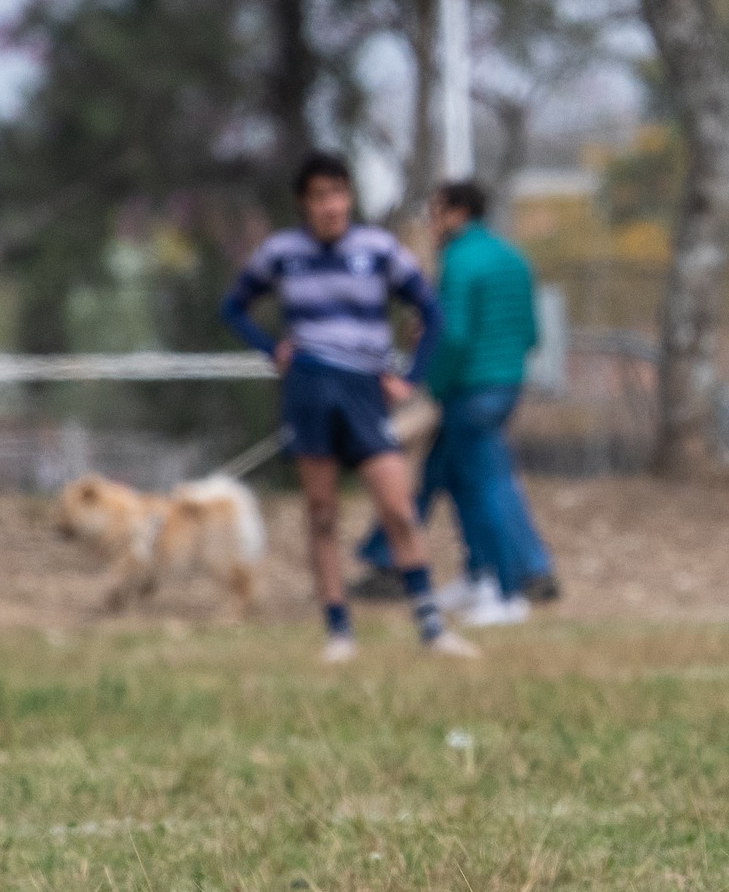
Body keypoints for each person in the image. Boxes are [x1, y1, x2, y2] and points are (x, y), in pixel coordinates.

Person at [220, 153, 479, 663]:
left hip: (365, 390)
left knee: (399, 509)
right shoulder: (281, 252)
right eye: (320, 196)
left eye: (339, 193)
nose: (332, 206)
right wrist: (272, 349)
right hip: (310, 389)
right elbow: (233, 307)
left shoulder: (378, 249)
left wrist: (411, 378)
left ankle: (432, 628)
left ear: (350, 197)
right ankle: (339, 631)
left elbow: (431, 309)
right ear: (304, 202)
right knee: (322, 514)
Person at [355, 180, 559, 624]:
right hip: (507, 382)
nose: (431, 223)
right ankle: (477, 575)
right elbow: (531, 333)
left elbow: (454, 333)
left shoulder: (459, 261)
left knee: (483, 487)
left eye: (435, 212)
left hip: (470, 389)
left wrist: (423, 380)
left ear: (457, 213)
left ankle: (506, 592)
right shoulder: (512, 256)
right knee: (448, 475)